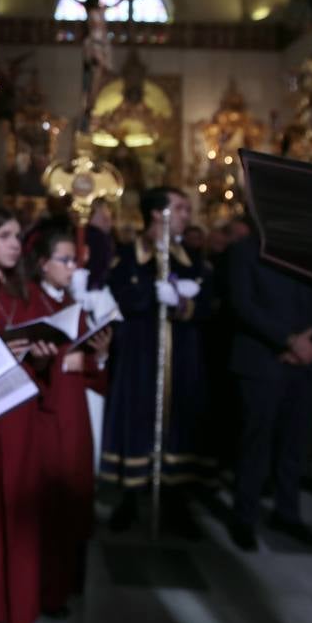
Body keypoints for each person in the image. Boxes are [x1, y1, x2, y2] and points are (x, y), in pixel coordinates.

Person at [100, 186, 209, 535]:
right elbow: (120, 295)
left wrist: (184, 302)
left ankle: (176, 498)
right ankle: (130, 497)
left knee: (178, 422)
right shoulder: (130, 254)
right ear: (158, 214)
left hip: (181, 355)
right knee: (138, 416)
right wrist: (151, 294)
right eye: (179, 208)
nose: (186, 215)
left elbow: (210, 303)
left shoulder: (189, 256)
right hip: (141, 355)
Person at [0, 206, 56, 623]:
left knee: (19, 513)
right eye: (3, 235)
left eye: (16, 235)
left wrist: (43, 350)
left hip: (20, 412)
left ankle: (16, 614)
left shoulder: (25, 288)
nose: (12, 243)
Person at [224, 229, 312, 551]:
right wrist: (288, 340)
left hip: (307, 362)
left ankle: (288, 513)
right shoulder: (245, 250)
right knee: (256, 441)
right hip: (262, 359)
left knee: (296, 443)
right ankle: (243, 517)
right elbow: (242, 304)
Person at [29, 223, 112, 618]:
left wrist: (100, 353)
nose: (72, 267)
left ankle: (69, 584)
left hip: (75, 411)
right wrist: (55, 361)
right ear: (43, 264)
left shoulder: (69, 306)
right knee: (51, 503)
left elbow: (89, 368)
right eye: (64, 260)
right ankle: (46, 592)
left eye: (75, 260)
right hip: (48, 416)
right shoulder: (30, 303)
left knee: (76, 496)